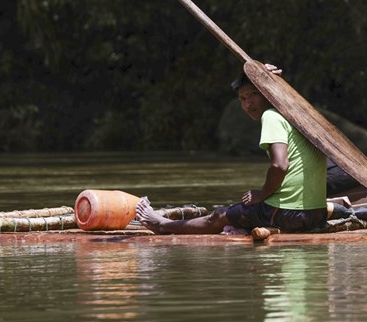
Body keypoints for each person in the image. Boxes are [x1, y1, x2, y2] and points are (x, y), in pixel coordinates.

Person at [136, 67, 329, 234]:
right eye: (242, 99)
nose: (248, 104)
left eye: (254, 94)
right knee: (241, 211)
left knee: (220, 215)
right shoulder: (300, 116)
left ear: (268, 92)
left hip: (287, 214)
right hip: (316, 214)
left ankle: (161, 225)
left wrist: (261, 194)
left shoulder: (272, 116)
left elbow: (280, 165)